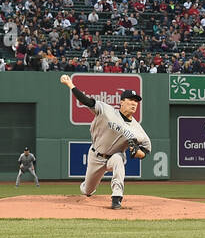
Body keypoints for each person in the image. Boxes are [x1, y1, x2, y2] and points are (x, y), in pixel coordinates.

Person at [60, 75, 151, 209]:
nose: (134, 103)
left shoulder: (138, 130)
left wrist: (137, 152)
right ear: (121, 102)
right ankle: (86, 187)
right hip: (95, 156)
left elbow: (145, 151)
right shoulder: (106, 110)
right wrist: (70, 85)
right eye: (130, 100)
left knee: (118, 160)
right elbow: (86, 101)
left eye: (136, 101)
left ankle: (116, 198)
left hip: (114, 156)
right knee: (87, 191)